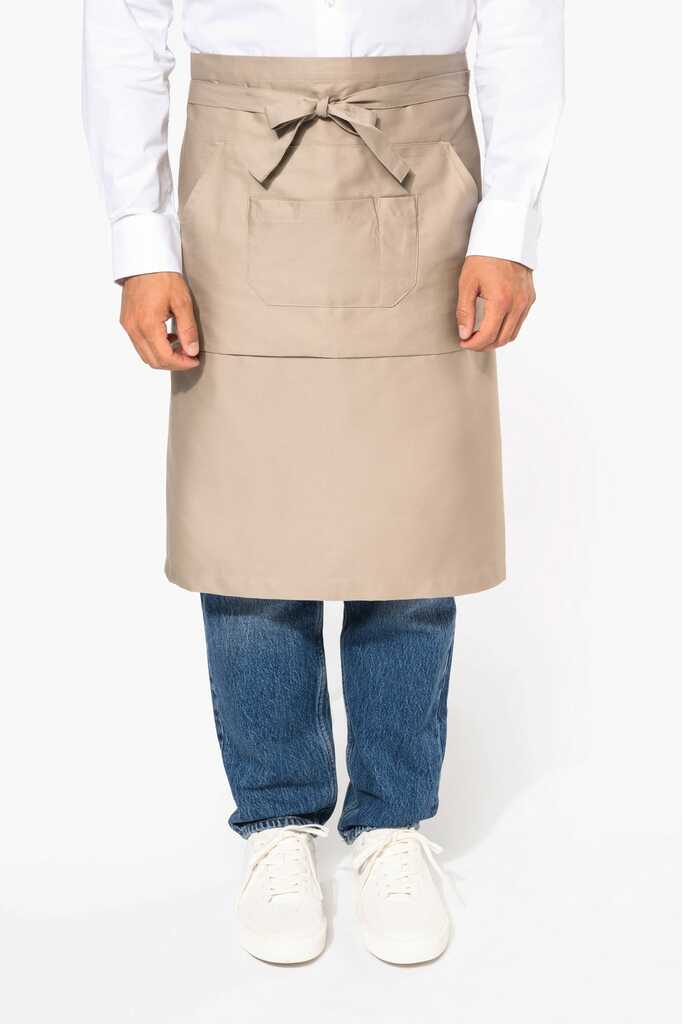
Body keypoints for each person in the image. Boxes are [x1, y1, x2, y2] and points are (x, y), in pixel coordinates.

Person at [83, 0, 564, 965]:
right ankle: (276, 824)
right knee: (249, 531)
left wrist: (509, 224)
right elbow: (126, 26)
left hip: (425, 160)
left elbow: (519, 22)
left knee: (411, 529)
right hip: (236, 163)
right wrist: (140, 239)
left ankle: (392, 824)